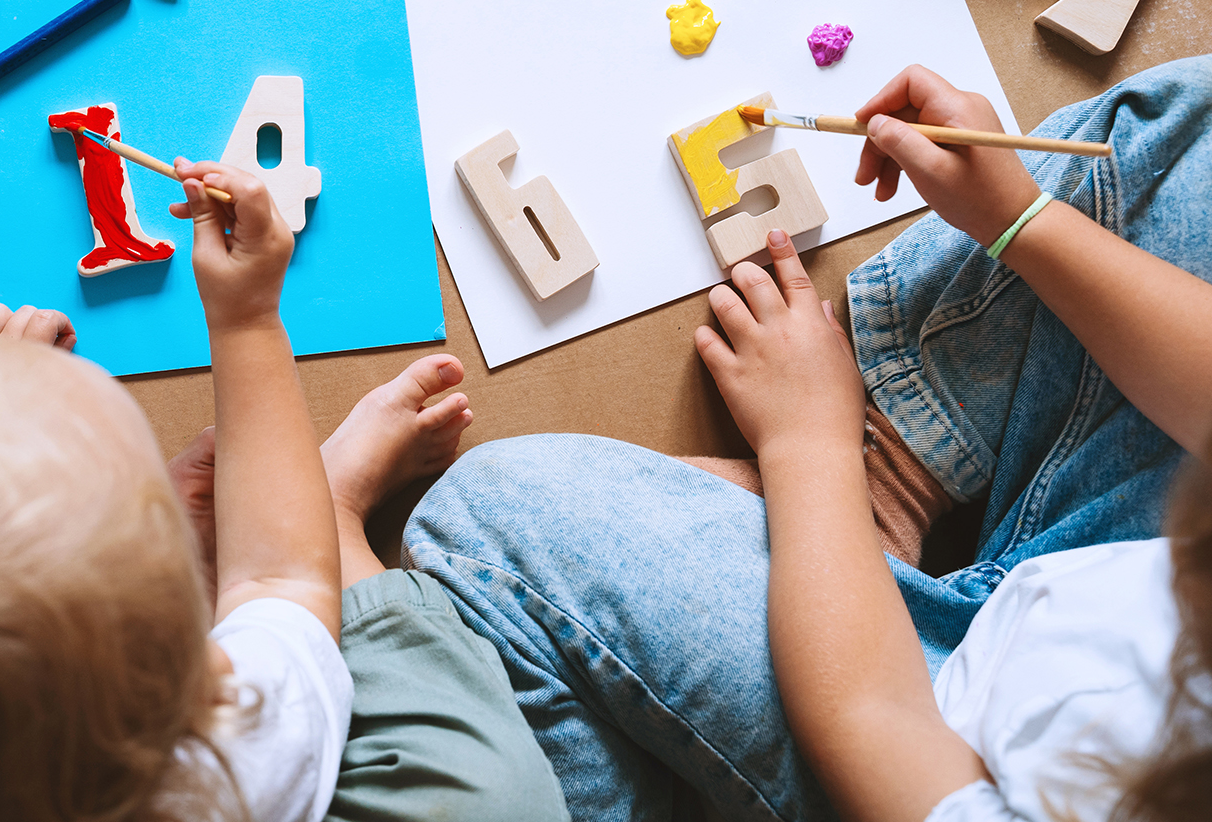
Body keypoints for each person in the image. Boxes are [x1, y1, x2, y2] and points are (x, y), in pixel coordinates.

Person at [401, 57, 1212, 821]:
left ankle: (876, 494)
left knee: (488, 518)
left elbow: (873, 718)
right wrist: (1018, 218)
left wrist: (810, 445)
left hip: (932, 730)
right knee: (1192, 130)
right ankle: (900, 462)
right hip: (1101, 586)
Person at [0, 160, 570, 822]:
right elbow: (278, 581)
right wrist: (249, 317)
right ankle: (329, 518)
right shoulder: (210, 770)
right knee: (493, 800)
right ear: (188, 662)